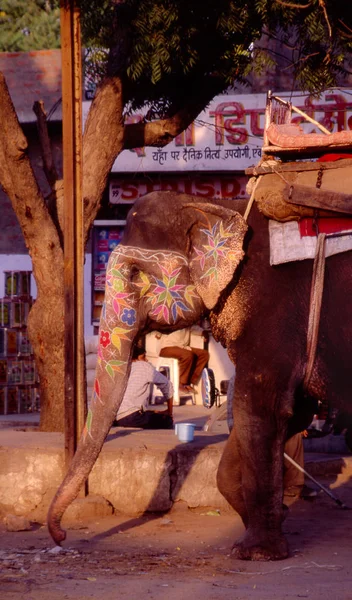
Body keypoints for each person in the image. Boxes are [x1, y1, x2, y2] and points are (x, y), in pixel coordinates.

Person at [113, 347, 174, 429]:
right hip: (132, 418)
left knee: (148, 413)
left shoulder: (121, 367)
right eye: (144, 357)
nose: (147, 360)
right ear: (135, 358)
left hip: (114, 418)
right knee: (167, 421)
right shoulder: (144, 366)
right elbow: (167, 384)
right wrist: (169, 412)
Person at [158, 327, 210, 393]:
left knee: (203, 354)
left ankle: (189, 382)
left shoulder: (188, 321)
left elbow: (194, 328)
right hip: (166, 347)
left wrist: (203, 332)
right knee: (187, 355)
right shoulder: (172, 319)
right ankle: (180, 383)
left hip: (182, 347)